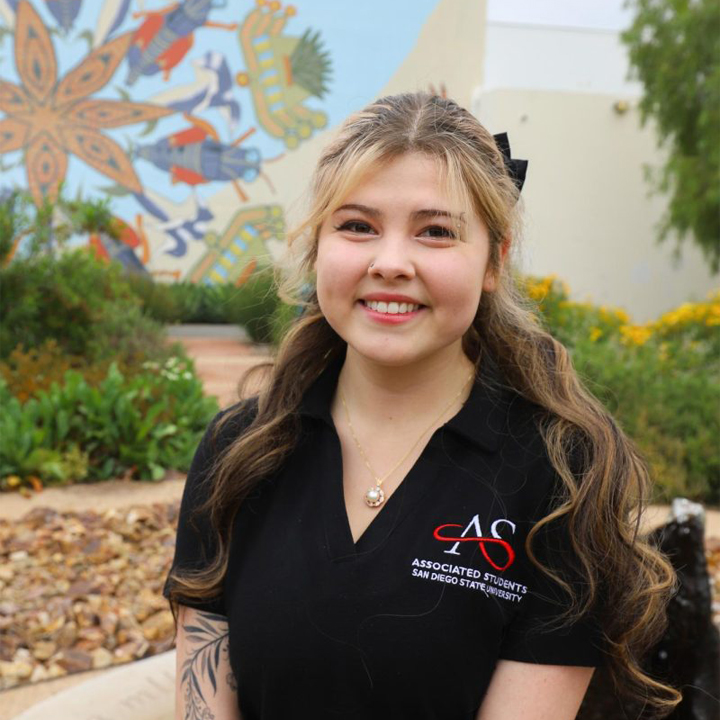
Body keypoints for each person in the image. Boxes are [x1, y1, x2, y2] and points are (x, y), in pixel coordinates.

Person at [163, 92, 680, 719]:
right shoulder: (240, 450)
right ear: (317, 247)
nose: (390, 263)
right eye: (357, 226)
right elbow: (203, 699)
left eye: (435, 232)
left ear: (495, 260)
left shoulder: (565, 473)